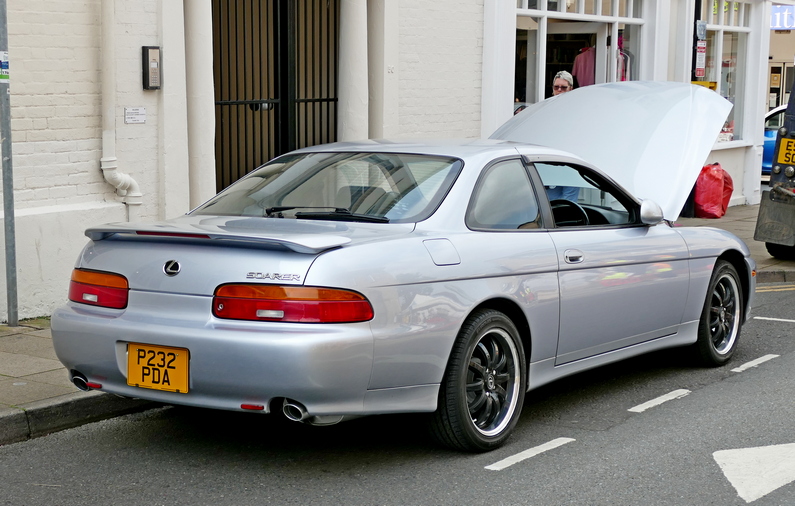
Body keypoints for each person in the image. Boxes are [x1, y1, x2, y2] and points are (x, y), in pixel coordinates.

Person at [547, 71, 580, 202]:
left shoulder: (577, 109)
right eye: (556, 87)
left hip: (570, 161)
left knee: (569, 202)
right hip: (551, 162)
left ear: (571, 89)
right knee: (550, 201)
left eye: (563, 87)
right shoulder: (547, 108)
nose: (559, 90)